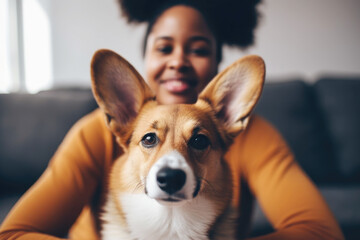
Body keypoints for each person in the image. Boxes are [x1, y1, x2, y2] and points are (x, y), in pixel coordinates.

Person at [0, 0, 344, 239]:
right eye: (165, 48)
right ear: (146, 57)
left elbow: (320, 232)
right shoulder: (95, 132)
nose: (178, 60)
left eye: (197, 49)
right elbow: (12, 233)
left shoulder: (250, 133)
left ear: (216, 62)